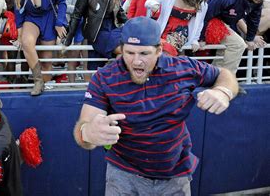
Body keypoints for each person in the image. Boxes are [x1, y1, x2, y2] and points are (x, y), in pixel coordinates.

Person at [73, 17, 238, 195]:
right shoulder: (104, 78)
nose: (136, 61)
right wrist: (88, 133)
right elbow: (83, 127)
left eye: (144, 53)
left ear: (159, 50)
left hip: (175, 177)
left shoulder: (182, 68)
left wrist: (223, 91)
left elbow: (224, 74)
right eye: (129, 53)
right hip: (123, 176)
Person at [13, 0, 67, 96]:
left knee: (46, 60)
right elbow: (19, 13)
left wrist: (59, 22)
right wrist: (19, 35)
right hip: (32, 19)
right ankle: (38, 80)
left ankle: (46, 90)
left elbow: (62, 1)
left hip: (49, 19)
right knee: (26, 42)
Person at [201, 0, 270, 75]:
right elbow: (206, 16)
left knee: (231, 47)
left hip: (225, 22)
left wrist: (250, 38)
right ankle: (225, 78)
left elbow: (254, 19)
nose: (262, 0)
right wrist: (201, 38)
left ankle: (215, 77)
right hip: (211, 21)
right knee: (237, 45)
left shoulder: (256, 1)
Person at [64, 0, 126, 71]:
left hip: (114, 30)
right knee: (125, 50)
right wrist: (69, 38)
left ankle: (111, 80)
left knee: (131, 49)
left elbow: (121, 14)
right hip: (98, 33)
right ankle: (111, 78)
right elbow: (76, 16)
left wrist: (134, 25)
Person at [145, 0, 209, 56]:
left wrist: (194, 40)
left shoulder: (202, 4)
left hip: (181, 33)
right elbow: (149, 2)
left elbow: (199, 23)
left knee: (164, 51)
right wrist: (154, 5)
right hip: (162, 28)